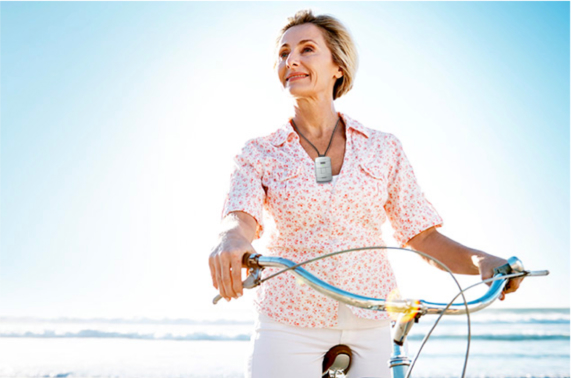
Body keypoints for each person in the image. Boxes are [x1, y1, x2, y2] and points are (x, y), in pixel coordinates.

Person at [208, 9, 522, 378]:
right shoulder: (259, 152)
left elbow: (422, 235)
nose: (291, 59)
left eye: (307, 49)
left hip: (371, 314)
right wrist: (230, 239)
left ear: (338, 66)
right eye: (283, 53)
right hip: (288, 319)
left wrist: (481, 262)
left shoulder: (383, 148)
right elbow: (240, 217)